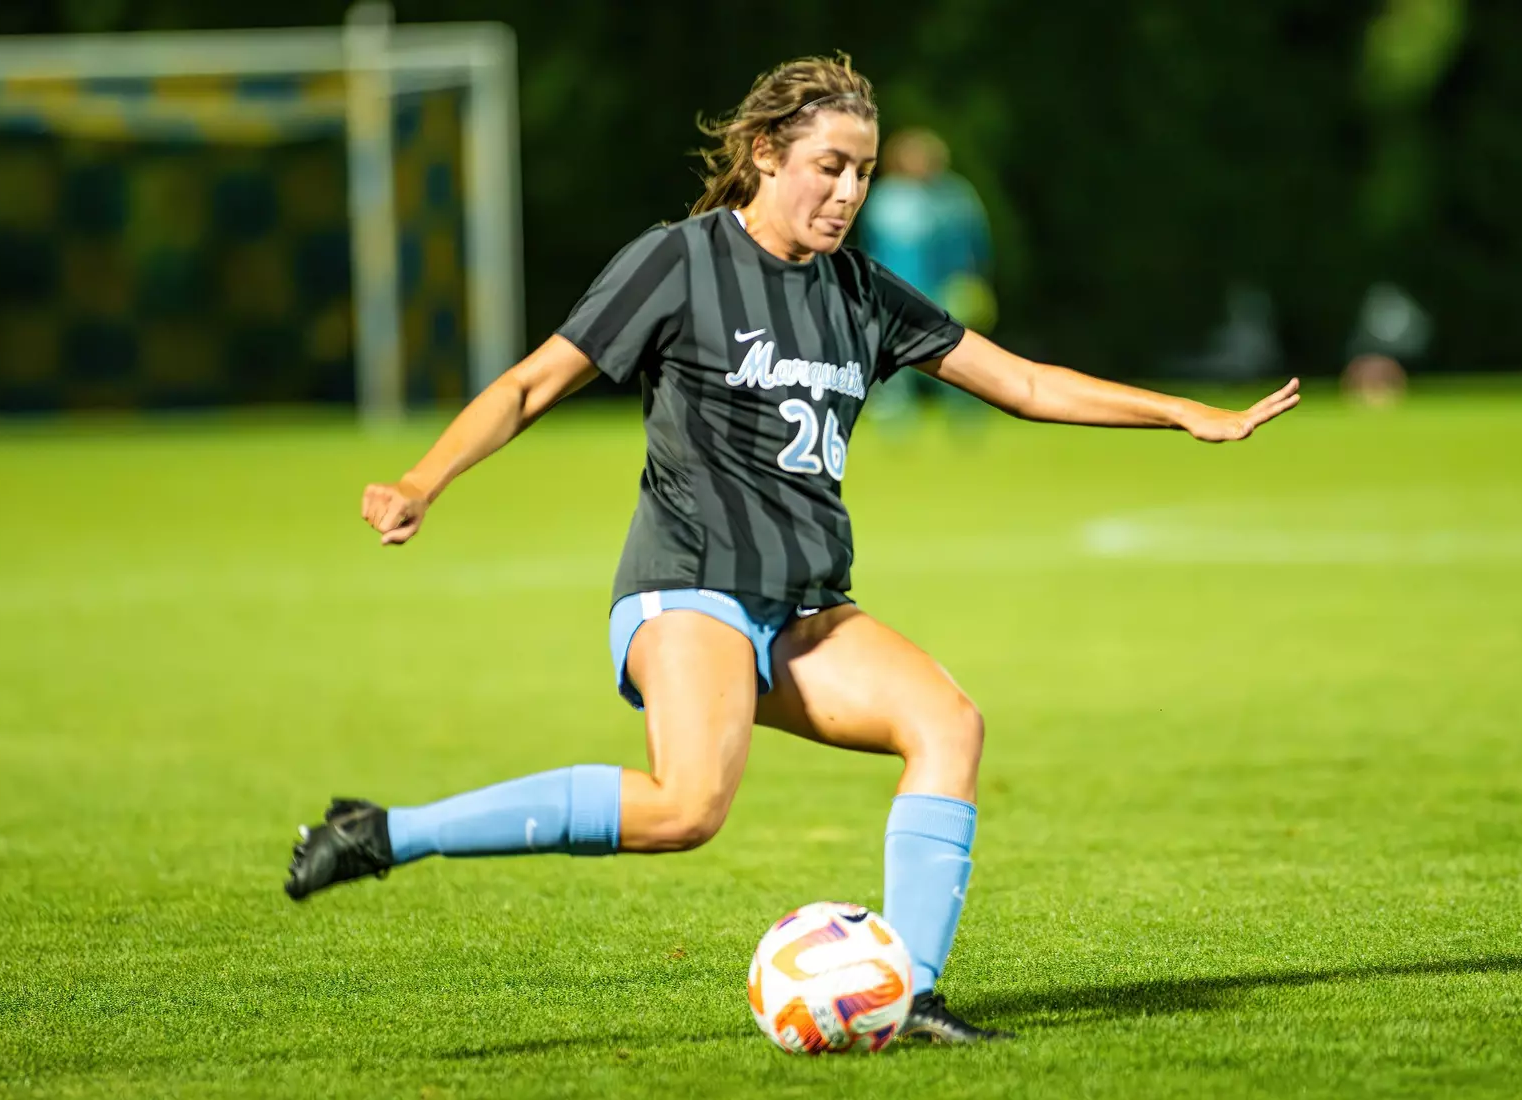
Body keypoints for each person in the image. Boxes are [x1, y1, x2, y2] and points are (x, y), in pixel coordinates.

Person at [283, 54, 1300, 1044]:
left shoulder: (861, 292)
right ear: (768, 152)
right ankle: (383, 830)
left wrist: (1179, 413)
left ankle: (911, 993)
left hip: (809, 606)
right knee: (686, 807)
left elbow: (1025, 383)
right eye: (831, 165)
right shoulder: (679, 261)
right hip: (691, 587)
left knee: (948, 722)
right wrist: (422, 478)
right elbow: (529, 383)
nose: (850, 189)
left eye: (862, 169)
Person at [859, 127, 996, 429]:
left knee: (955, 353)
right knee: (893, 357)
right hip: (897, 288)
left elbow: (976, 243)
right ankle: (896, 418)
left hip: (948, 287)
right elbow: (876, 248)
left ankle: (965, 415)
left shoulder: (955, 195)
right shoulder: (887, 197)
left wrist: (974, 281)